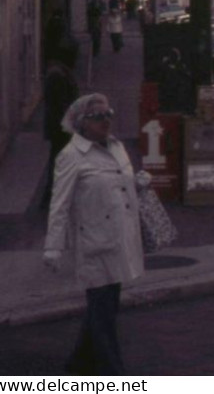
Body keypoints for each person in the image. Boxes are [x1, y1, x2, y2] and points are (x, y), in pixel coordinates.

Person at [44, 93, 145, 375]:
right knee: (103, 317)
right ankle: (114, 374)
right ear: (81, 123)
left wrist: (137, 182)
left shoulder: (116, 147)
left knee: (105, 309)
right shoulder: (71, 156)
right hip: (95, 245)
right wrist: (53, 246)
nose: (106, 120)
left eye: (108, 113)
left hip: (120, 240)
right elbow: (59, 204)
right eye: (98, 116)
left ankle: (76, 367)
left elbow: (118, 184)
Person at [40, 39, 79, 209]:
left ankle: (53, 195)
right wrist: (70, 124)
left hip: (59, 126)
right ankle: (52, 196)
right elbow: (61, 104)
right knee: (60, 161)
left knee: (59, 160)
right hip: (60, 127)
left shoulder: (58, 72)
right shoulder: (58, 75)